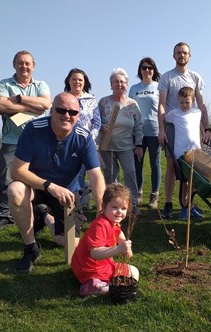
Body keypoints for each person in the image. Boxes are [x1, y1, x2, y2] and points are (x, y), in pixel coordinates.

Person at [7, 92, 106, 273]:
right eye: (61, 110)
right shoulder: (33, 129)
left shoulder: (84, 138)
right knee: (15, 190)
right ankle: (31, 248)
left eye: (73, 112)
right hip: (37, 187)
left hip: (67, 195)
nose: (67, 115)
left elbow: (96, 176)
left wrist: (102, 211)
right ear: (52, 110)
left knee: (69, 243)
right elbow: (17, 171)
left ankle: (45, 217)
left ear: (79, 115)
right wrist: (49, 186)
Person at [0, 51, 52, 234]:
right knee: (6, 177)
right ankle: (4, 215)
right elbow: (0, 105)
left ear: (33, 66)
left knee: (38, 175)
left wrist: (19, 99)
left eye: (27, 63)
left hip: (38, 140)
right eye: (20, 63)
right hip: (12, 140)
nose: (24, 66)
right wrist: (32, 106)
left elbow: (46, 105)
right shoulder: (4, 84)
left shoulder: (41, 84)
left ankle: (39, 210)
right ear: (14, 65)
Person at [158, 42, 210, 219]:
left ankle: (189, 204)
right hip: (173, 127)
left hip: (192, 128)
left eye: (185, 53)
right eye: (179, 52)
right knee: (172, 166)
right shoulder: (167, 77)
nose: (182, 55)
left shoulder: (195, 77)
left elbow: (201, 104)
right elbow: (162, 105)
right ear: (174, 56)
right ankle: (168, 203)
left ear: (190, 56)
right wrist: (161, 130)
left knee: (193, 168)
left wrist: (206, 127)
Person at [71, 183, 139, 297]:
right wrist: (118, 249)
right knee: (112, 289)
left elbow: (119, 233)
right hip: (89, 269)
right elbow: (95, 253)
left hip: (103, 265)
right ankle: (91, 286)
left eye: (123, 208)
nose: (119, 212)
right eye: (115, 207)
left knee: (134, 272)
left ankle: (106, 285)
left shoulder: (113, 222)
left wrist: (124, 244)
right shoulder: (100, 226)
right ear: (104, 206)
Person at [97, 68, 143, 215]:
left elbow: (138, 126)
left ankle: (133, 204)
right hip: (107, 146)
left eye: (122, 82)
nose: (119, 84)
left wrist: (139, 145)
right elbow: (95, 120)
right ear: (111, 85)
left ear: (127, 84)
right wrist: (100, 126)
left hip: (126, 146)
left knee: (130, 173)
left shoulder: (132, 104)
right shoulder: (103, 102)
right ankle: (112, 206)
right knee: (111, 176)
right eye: (116, 82)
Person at [64, 68, 100, 209]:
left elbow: (96, 122)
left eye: (80, 79)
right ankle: (72, 207)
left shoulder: (91, 100)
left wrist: (89, 140)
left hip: (86, 144)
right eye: (74, 79)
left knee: (88, 175)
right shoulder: (63, 98)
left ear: (85, 82)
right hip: (67, 144)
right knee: (72, 176)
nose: (77, 82)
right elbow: (54, 118)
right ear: (69, 81)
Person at [165, 87, 203, 220]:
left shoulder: (197, 112)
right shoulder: (174, 114)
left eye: (187, 102)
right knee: (184, 182)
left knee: (194, 182)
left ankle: (191, 207)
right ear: (178, 101)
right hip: (181, 153)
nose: (184, 105)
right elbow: (164, 119)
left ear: (192, 101)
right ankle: (184, 208)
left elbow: (199, 127)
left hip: (196, 152)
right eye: (181, 102)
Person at [128, 57, 162, 209]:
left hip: (155, 131)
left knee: (155, 164)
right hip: (137, 132)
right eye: (144, 67)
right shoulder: (134, 89)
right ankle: (138, 193)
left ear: (154, 70)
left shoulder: (159, 87)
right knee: (138, 164)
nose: (147, 70)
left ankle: (154, 196)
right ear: (140, 70)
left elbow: (163, 109)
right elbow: (128, 110)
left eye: (150, 68)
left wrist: (163, 129)